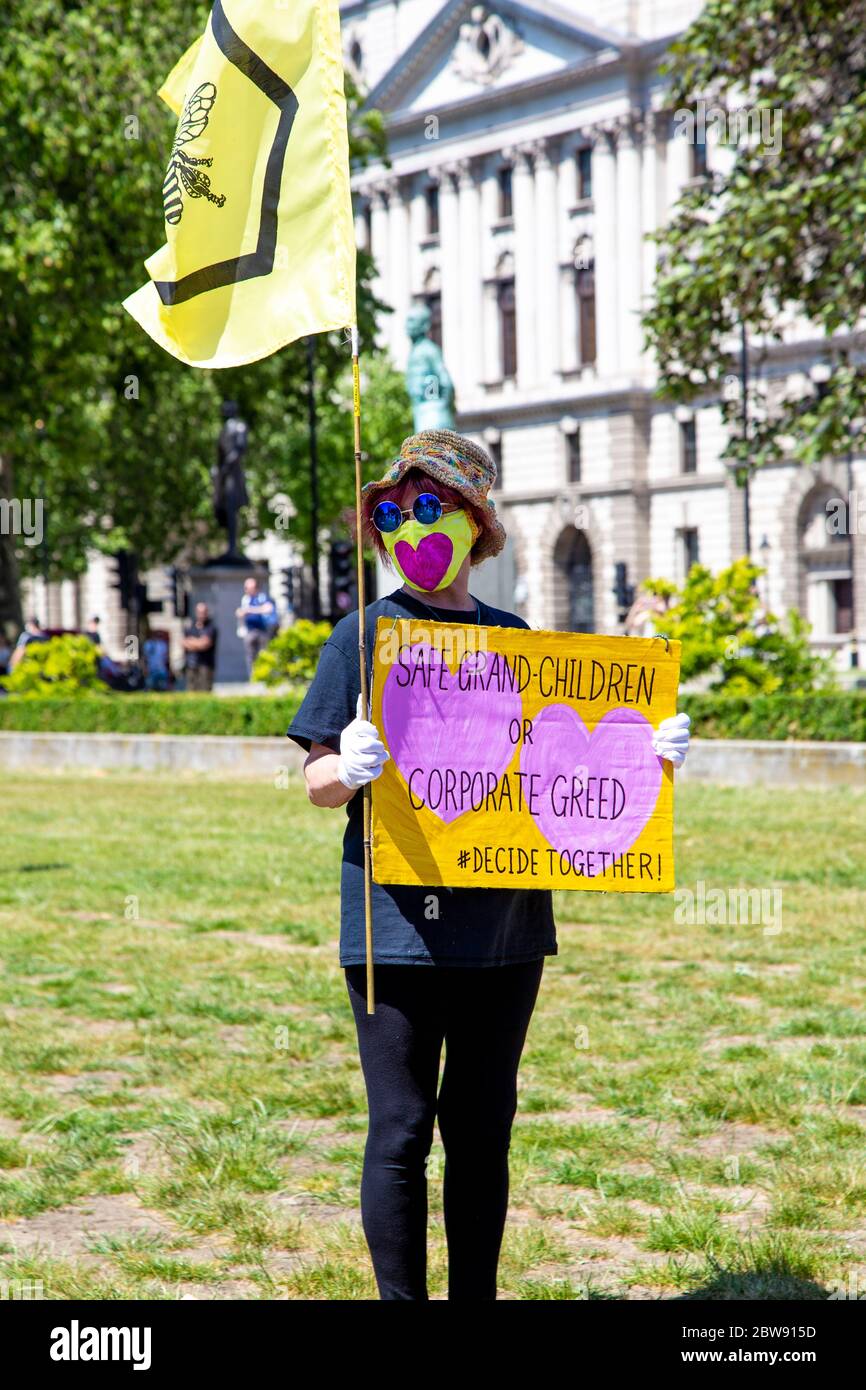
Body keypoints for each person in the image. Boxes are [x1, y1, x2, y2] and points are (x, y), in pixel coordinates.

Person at [286, 430, 691, 1301]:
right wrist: (343, 768)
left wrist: (647, 759)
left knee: (482, 1132)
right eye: (392, 512)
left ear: (475, 523)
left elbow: (562, 774)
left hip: (504, 931)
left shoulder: (516, 639)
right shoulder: (359, 639)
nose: (408, 527)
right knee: (400, 1131)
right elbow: (315, 778)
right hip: (391, 929)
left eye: (427, 506)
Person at [235, 575, 276, 678]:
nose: (247, 590)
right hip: (250, 631)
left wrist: (250, 610)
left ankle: (265, 676)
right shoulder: (245, 599)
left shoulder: (262, 597)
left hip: (263, 630)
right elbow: (240, 612)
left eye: (249, 588)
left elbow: (268, 609)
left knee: (264, 654)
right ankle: (253, 676)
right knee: (250, 655)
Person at [182, 603, 217, 692]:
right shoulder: (191, 627)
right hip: (191, 663)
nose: (202, 614)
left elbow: (205, 644)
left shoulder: (211, 627)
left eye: (204, 612)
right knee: (191, 691)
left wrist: (192, 642)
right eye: (200, 612)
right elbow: (183, 642)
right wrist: (198, 642)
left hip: (205, 665)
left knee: (204, 691)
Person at [141, 624, 170, 692]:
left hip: (161, 669)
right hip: (151, 669)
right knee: (150, 687)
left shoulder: (162, 644)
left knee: (162, 687)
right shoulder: (148, 644)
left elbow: (165, 658)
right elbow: (145, 657)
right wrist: (145, 668)